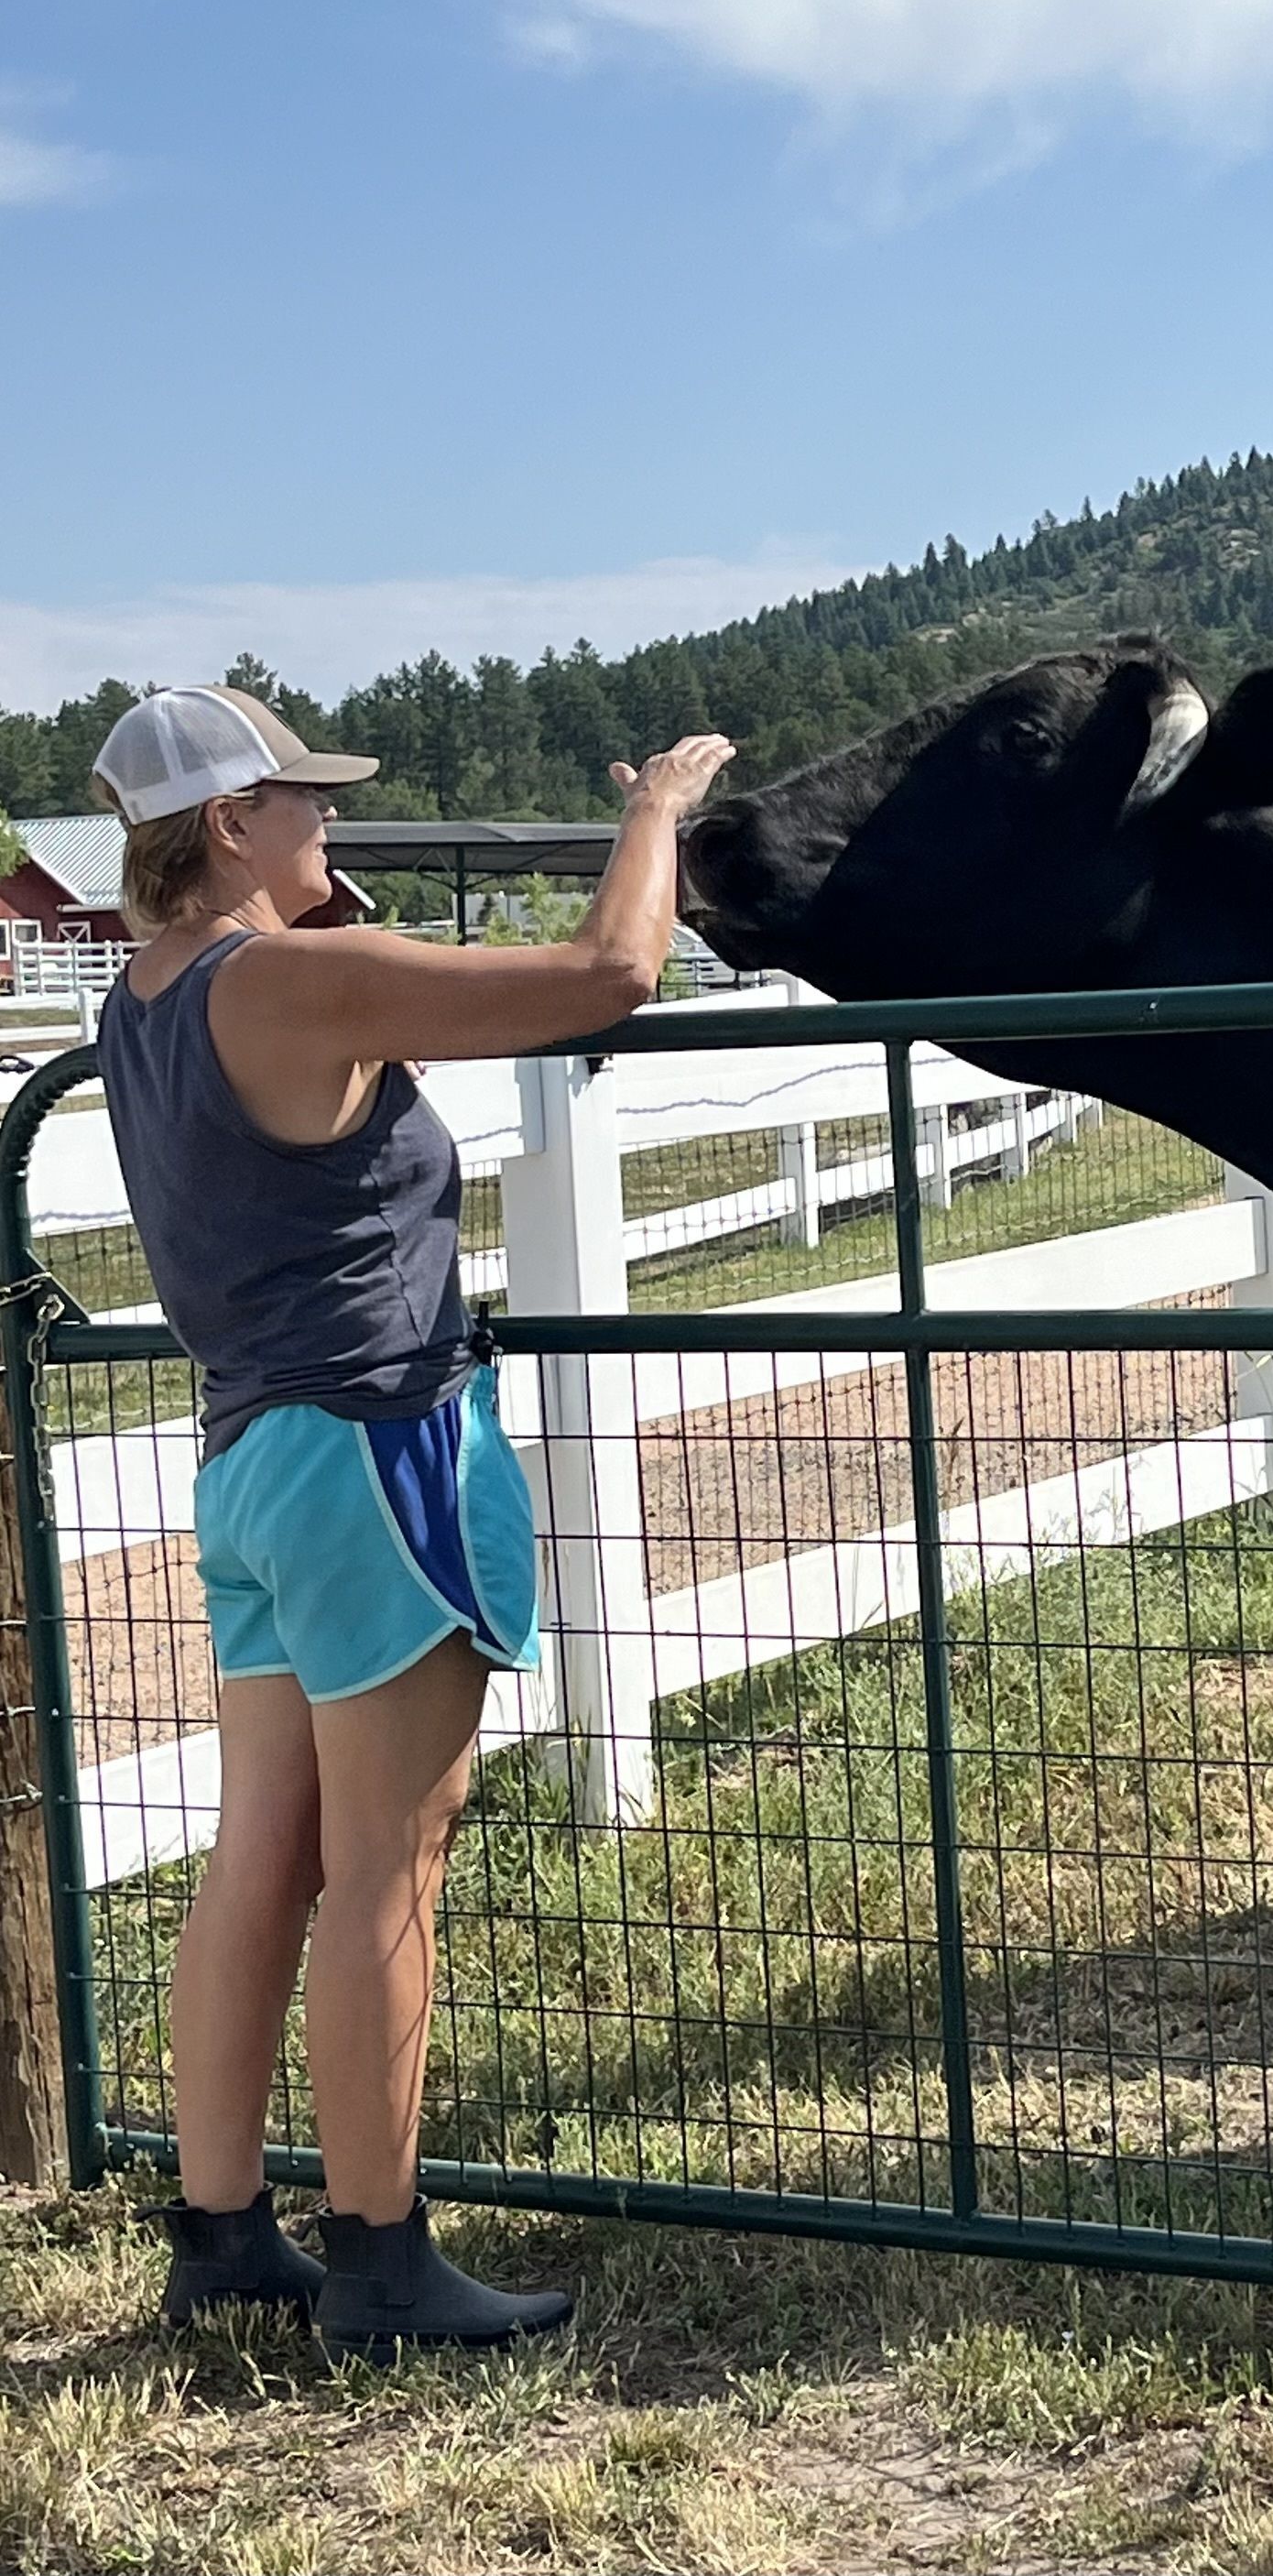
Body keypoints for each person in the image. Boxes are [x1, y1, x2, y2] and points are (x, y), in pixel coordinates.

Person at [88, 682, 733, 2361]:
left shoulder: (138, 997)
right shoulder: (292, 978)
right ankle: (380, 2260)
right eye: (305, 803)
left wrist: (315, 915)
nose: (332, 828)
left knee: (263, 1860)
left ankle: (220, 2234)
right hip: (375, 1450)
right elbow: (609, 976)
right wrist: (653, 806)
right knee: (390, 1865)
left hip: (249, 1467)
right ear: (230, 824)